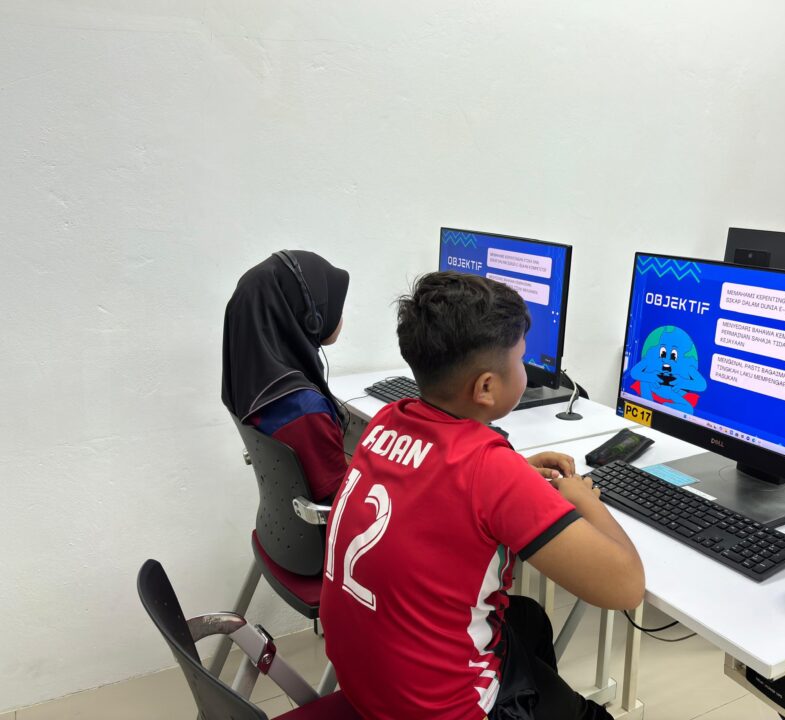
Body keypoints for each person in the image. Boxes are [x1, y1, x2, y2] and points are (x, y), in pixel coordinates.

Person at [319, 271, 645, 720]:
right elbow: (626, 588)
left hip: (368, 681)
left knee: (527, 621)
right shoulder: (490, 472)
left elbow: (434, 484)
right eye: (521, 360)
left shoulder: (387, 421)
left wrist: (514, 475)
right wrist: (582, 497)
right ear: (486, 387)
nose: (525, 370)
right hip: (441, 711)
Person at [222, 250, 350, 502]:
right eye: (332, 304)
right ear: (310, 317)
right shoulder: (303, 410)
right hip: (330, 522)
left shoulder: (251, 384)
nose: (339, 314)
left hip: (282, 522)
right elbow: (343, 501)